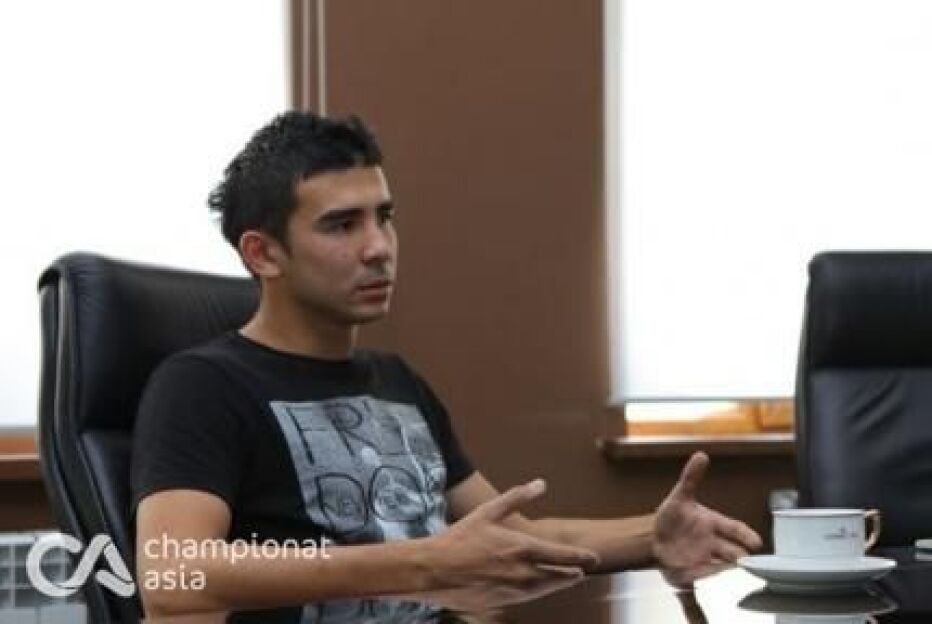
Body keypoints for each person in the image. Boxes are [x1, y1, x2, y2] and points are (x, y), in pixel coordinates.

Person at [131, 111, 762, 617]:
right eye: (341, 225)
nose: (378, 248)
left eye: (384, 217)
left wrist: (652, 537)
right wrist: (424, 564)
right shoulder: (202, 386)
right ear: (263, 254)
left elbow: (512, 539)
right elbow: (171, 573)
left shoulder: (397, 382)